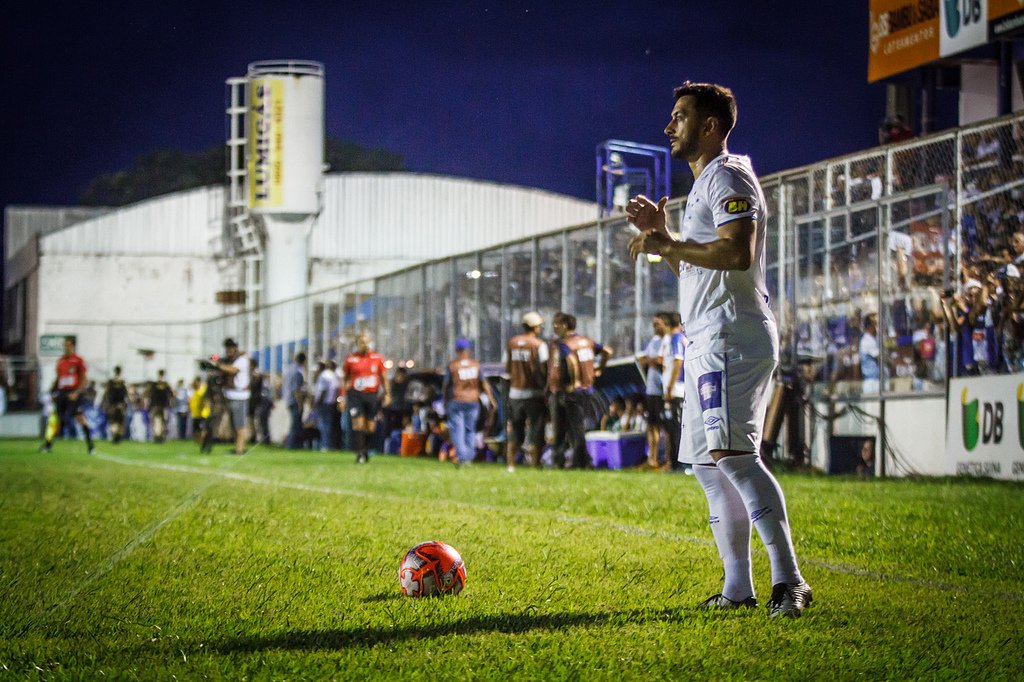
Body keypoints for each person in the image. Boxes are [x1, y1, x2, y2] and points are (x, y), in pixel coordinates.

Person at [627, 81, 811, 617]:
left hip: (733, 334)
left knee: (734, 455)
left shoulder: (729, 175)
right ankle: (737, 590)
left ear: (710, 126)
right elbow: (695, 267)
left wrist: (667, 240)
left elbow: (737, 251)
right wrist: (665, 236)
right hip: (708, 337)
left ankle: (790, 581)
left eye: (680, 117)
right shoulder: (706, 185)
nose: (669, 127)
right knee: (709, 466)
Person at [550, 312, 612, 469]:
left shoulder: (565, 344)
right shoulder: (586, 341)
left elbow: (571, 361)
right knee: (576, 427)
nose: (554, 327)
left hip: (572, 391)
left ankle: (578, 462)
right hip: (587, 389)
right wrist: (600, 368)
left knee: (569, 428)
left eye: (556, 324)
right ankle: (579, 460)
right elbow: (608, 351)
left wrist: (575, 380)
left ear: (565, 325)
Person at [504, 311, 549, 470]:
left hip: (515, 393)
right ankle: (536, 463)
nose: (541, 329)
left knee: (515, 428)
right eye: (539, 326)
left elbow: (507, 366)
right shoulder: (539, 345)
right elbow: (544, 368)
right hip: (534, 393)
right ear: (534, 327)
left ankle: (511, 464)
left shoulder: (512, 343)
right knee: (536, 429)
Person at [443, 337, 497, 466]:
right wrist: (491, 399)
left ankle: (463, 457)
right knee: (470, 429)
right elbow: (484, 383)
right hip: (473, 401)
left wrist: (445, 401)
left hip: (456, 401)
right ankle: (469, 456)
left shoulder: (452, 366)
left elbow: (446, 385)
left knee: (457, 430)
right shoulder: (476, 365)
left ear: (457, 351)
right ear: (468, 351)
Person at [341, 333, 391, 464]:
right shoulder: (351, 359)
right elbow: (344, 379)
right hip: (355, 395)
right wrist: (342, 397)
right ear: (357, 344)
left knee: (370, 427)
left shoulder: (377, 358)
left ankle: (365, 450)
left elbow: (384, 378)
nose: (365, 344)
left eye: (367, 342)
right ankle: (360, 453)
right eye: (362, 342)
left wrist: (387, 394)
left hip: (371, 395)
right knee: (358, 425)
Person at [40, 336, 94, 454]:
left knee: (80, 418)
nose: (66, 348)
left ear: (73, 346)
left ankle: (91, 446)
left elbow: (84, 379)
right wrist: (53, 392)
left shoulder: (78, 360)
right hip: (62, 393)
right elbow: (59, 378)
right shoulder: (61, 361)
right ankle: (48, 445)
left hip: (74, 392)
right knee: (55, 419)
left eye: (68, 345)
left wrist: (77, 392)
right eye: (65, 345)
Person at [638, 316, 667, 468]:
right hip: (652, 389)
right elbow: (643, 360)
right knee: (652, 425)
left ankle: (667, 460)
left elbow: (662, 362)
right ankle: (652, 458)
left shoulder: (669, 341)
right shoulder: (654, 341)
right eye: (653, 324)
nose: (655, 327)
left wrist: (652, 360)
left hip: (664, 390)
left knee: (665, 427)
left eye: (657, 324)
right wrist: (653, 360)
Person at [660, 312, 687, 472]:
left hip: (677, 390)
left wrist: (670, 387)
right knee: (672, 426)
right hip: (675, 390)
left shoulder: (676, 339)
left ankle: (678, 464)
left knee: (675, 426)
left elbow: (678, 362)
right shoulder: (676, 338)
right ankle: (673, 462)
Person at [215, 338, 251, 455]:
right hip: (231, 395)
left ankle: (240, 449)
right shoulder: (229, 360)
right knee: (234, 424)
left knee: (239, 424)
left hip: (239, 396)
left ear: (235, 348)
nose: (228, 350)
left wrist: (218, 364)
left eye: (230, 347)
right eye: (227, 348)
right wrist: (214, 359)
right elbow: (218, 360)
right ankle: (237, 447)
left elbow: (232, 370)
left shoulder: (242, 360)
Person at [313, 360, 340, 451]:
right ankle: (329, 444)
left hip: (324, 403)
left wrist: (318, 402)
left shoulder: (324, 376)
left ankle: (325, 445)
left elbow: (323, 390)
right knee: (329, 425)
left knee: (324, 425)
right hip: (331, 403)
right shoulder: (333, 375)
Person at [283, 351, 308, 449]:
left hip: (288, 399)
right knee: (295, 424)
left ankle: (293, 444)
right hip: (294, 401)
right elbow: (296, 390)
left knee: (294, 423)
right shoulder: (298, 372)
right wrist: (300, 404)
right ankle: (292, 445)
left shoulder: (289, 370)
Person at [101, 365, 129, 444]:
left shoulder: (110, 382)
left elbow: (106, 393)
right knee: (121, 422)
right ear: (121, 371)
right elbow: (127, 394)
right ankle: (118, 436)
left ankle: (115, 435)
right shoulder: (123, 382)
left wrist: (103, 403)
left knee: (113, 421)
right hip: (121, 405)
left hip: (112, 405)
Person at [146, 369, 173, 443]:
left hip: (156, 406)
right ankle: (160, 436)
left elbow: (150, 395)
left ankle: (157, 436)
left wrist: (149, 406)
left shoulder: (154, 384)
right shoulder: (166, 384)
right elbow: (171, 395)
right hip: (163, 406)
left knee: (157, 422)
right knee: (162, 422)